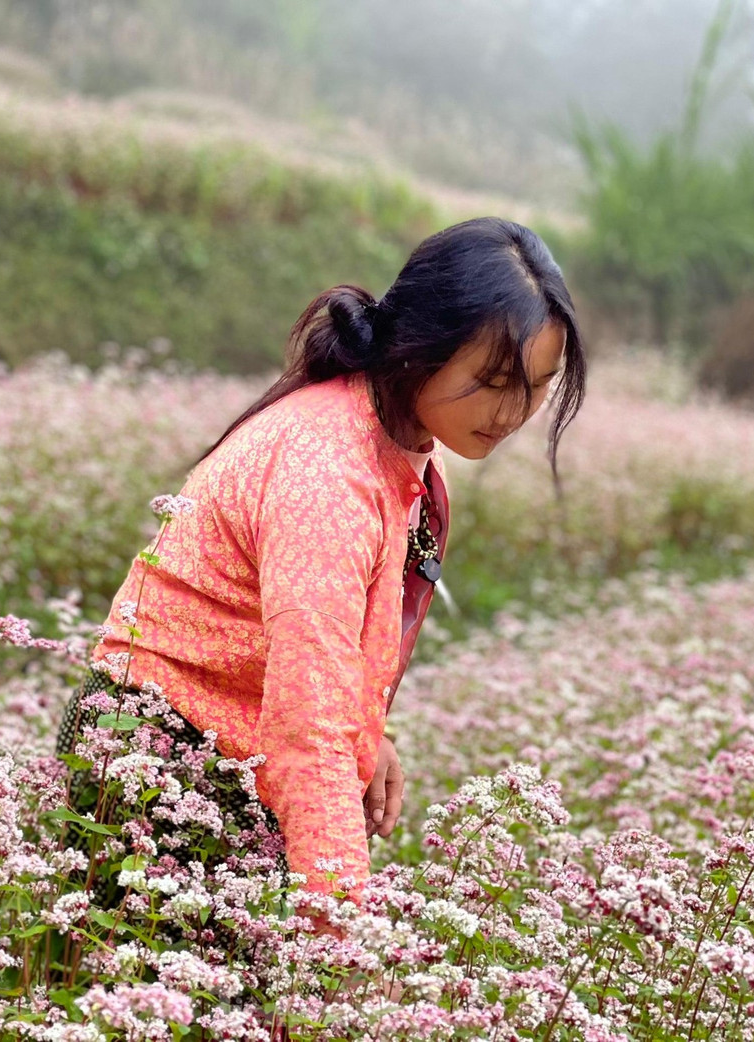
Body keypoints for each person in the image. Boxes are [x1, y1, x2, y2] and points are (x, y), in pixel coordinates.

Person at [56, 215, 586, 944]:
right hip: (155, 762)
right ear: (423, 346)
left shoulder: (401, 444)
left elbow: (330, 649)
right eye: (493, 381)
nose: (514, 412)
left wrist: (371, 732)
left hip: (227, 760)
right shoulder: (328, 475)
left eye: (535, 386)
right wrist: (340, 937)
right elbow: (306, 728)